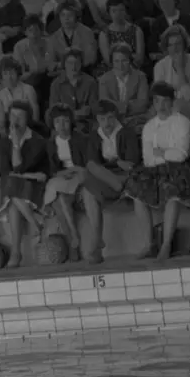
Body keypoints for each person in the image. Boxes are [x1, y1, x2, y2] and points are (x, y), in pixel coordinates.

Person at [123, 82, 190, 261]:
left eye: (165, 101)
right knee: (135, 189)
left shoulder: (182, 122)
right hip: (154, 169)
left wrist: (161, 153)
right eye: (157, 101)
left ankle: (166, 244)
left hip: (179, 169)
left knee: (173, 190)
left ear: (172, 102)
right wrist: (167, 153)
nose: (161, 106)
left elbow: (182, 154)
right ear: (153, 103)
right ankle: (149, 244)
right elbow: (148, 159)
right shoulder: (149, 127)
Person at [79, 98, 142, 264]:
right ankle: (97, 241)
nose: (107, 123)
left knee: (88, 187)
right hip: (107, 177)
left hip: (124, 176)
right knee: (90, 171)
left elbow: (131, 164)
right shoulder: (94, 136)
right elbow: (92, 163)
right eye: (102, 119)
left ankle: (97, 240)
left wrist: (113, 165)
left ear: (116, 117)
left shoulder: (127, 133)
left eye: (110, 118)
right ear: (97, 120)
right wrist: (115, 163)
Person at [0, 100, 49, 269]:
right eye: (12, 116)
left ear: (28, 119)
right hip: (14, 187)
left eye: (20, 116)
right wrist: (14, 144)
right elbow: (5, 171)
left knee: (11, 189)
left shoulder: (38, 141)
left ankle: (16, 253)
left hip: (32, 186)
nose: (16, 120)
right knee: (11, 191)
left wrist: (17, 145)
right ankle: (32, 224)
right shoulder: (3, 142)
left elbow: (18, 169)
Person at [40, 105, 90, 263]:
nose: (62, 126)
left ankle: (73, 242)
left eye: (65, 121)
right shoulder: (50, 144)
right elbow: (52, 170)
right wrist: (63, 173)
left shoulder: (80, 139)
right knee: (59, 198)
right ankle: (74, 237)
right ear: (53, 124)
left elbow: (87, 164)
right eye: (58, 122)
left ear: (71, 122)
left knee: (58, 194)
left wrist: (73, 170)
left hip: (80, 174)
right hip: (62, 177)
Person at [153, 23, 190, 122]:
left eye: (178, 44)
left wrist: (180, 70)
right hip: (167, 108)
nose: (175, 48)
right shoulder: (159, 66)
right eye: (171, 45)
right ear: (167, 48)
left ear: (185, 45)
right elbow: (161, 96)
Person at [97, 43, 151, 131]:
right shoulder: (104, 79)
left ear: (130, 60)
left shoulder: (141, 77)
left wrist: (120, 108)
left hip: (136, 120)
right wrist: (125, 108)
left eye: (124, 61)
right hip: (112, 120)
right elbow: (105, 103)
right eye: (117, 61)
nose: (120, 65)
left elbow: (143, 103)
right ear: (112, 62)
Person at [48, 50, 98, 132]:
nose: (73, 66)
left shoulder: (90, 82)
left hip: (86, 124)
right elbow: (54, 111)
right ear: (64, 64)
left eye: (77, 63)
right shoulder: (56, 84)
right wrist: (77, 113)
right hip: (63, 124)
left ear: (81, 64)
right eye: (70, 63)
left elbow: (93, 109)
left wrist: (85, 112)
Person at [45, 0, 98, 74]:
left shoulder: (87, 32)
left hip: (84, 73)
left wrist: (73, 65)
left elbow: (91, 59)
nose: (66, 18)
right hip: (61, 75)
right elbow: (50, 64)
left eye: (70, 15)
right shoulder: (53, 37)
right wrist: (64, 66)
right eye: (63, 15)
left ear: (76, 16)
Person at [97, 0, 145, 68]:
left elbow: (139, 59)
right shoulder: (104, 34)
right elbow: (108, 61)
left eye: (121, 10)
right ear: (109, 13)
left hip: (133, 69)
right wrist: (130, 56)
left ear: (126, 11)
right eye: (114, 11)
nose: (117, 14)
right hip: (111, 71)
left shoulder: (137, 30)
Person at [0, 56, 40, 130]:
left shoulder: (29, 89)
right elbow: (1, 121)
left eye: (12, 73)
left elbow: (35, 114)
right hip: (10, 129)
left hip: (29, 127)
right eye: (5, 74)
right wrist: (3, 133)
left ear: (18, 73)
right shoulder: (0, 96)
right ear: (1, 76)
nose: (9, 77)